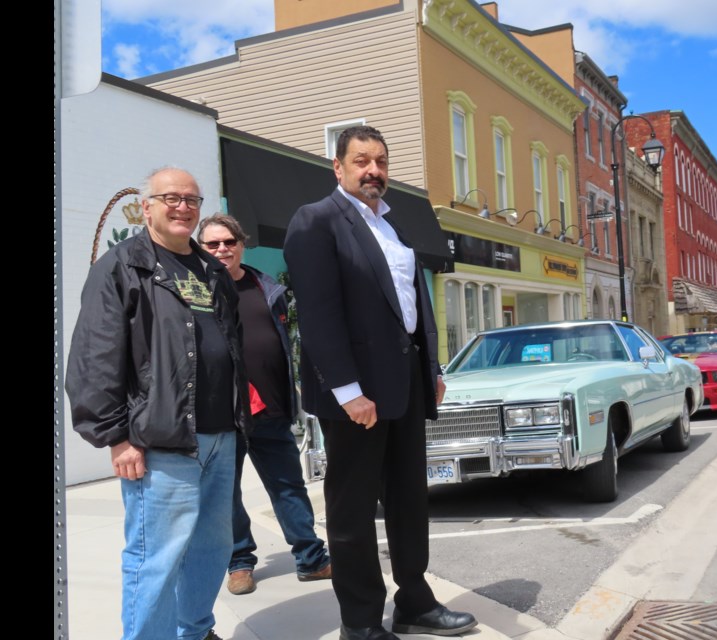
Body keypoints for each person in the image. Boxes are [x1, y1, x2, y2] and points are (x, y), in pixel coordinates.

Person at [283, 125, 477, 640]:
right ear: (338, 167)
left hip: (407, 386)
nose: (374, 171)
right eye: (362, 161)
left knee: (410, 499)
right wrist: (348, 392)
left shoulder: (394, 228)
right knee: (351, 511)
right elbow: (319, 314)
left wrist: (431, 368)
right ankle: (361, 623)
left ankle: (414, 600)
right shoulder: (316, 221)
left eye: (382, 162)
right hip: (357, 396)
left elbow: (415, 306)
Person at [66, 167, 251, 640]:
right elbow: (93, 357)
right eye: (170, 197)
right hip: (161, 441)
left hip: (220, 438)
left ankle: (194, 630)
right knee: (156, 559)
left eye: (191, 199)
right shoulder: (122, 266)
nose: (182, 206)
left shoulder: (212, 270)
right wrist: (115, 437)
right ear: (146, 206)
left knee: (212, 550)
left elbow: (229, 344)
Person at [196, 213, 332, 595]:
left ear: (241, 244)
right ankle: (239, 563)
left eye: (229, 242)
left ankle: (312, 559)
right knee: (226, 494)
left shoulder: (265, 286)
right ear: (201, 249)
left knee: (289, 487)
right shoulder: (197, 292)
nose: (222, 249)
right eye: (213, 244)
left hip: (271, 408)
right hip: (223, 414)